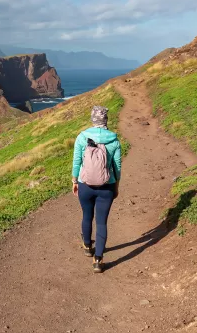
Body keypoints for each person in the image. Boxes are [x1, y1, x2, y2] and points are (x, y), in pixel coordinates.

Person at [71, 106, 122, 273]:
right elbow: (117, 167)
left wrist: (75, 180)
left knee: (87, 216)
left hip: (85, 184)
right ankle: (98, 260)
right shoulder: (114, 140)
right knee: (101, 222)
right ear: (106, 120)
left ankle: (87, 246)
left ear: (93, 120)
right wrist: (116, 186)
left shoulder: (82, 137)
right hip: (106, 187)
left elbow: (77, 161)